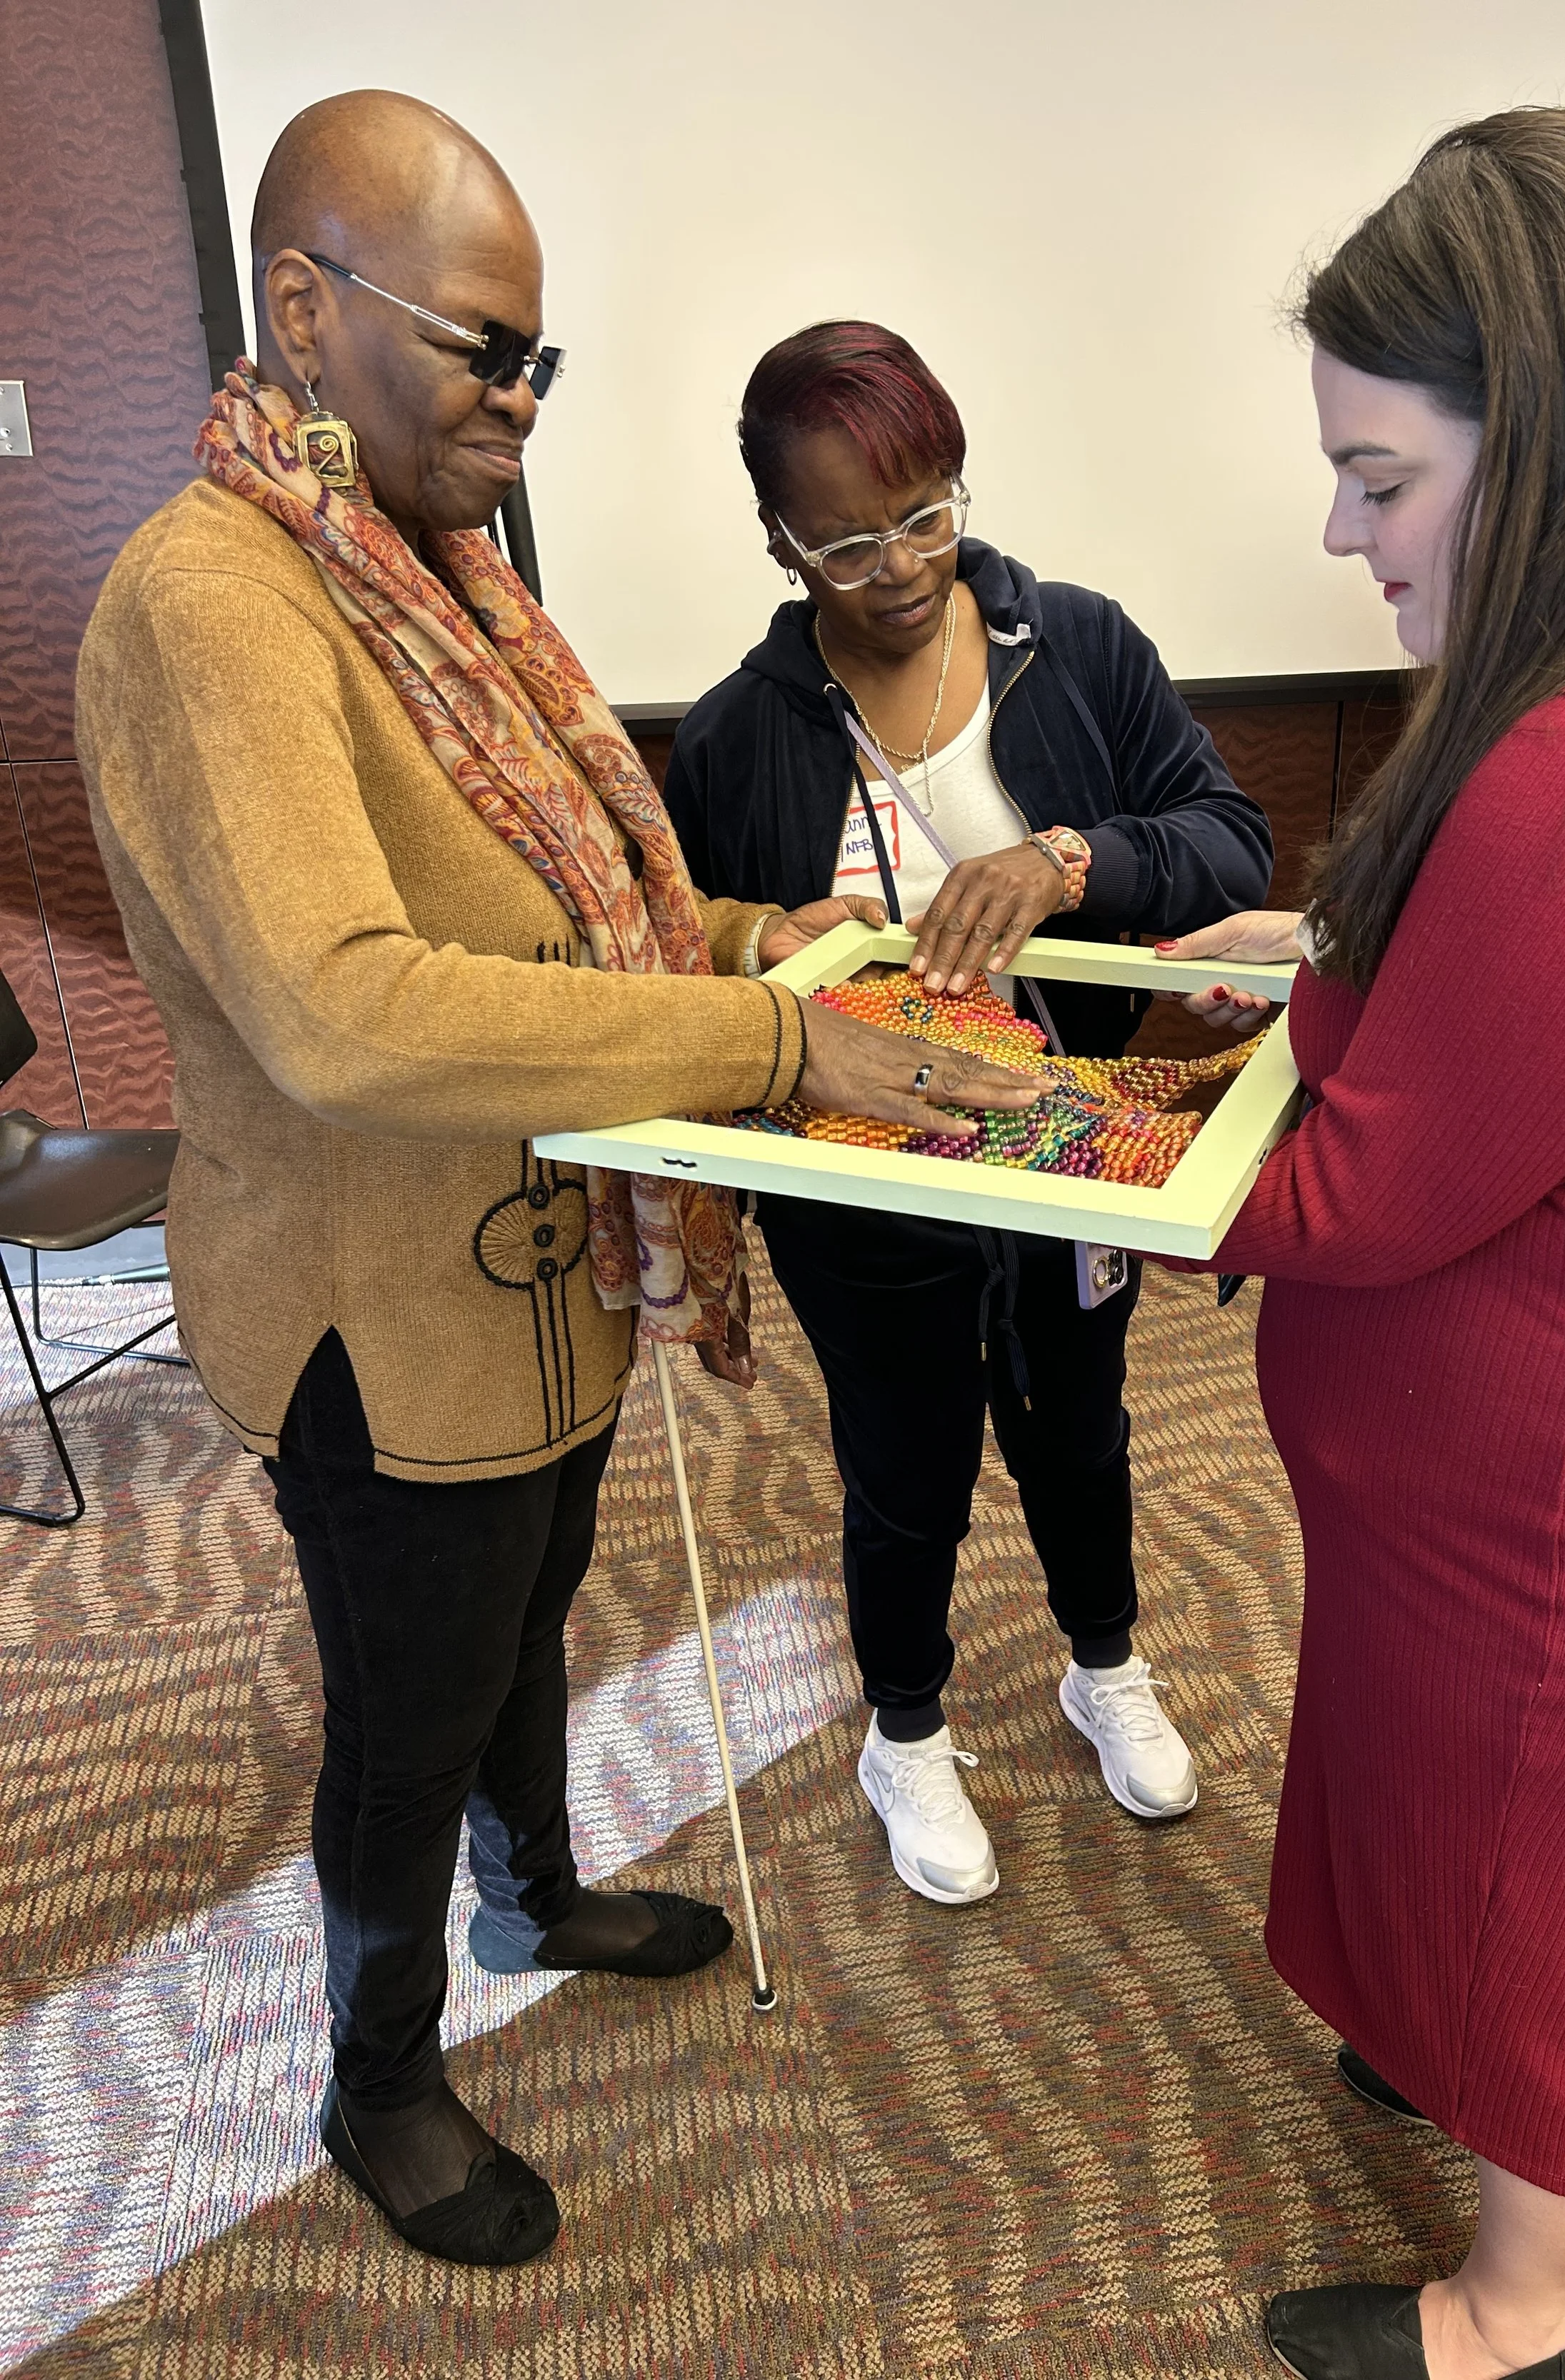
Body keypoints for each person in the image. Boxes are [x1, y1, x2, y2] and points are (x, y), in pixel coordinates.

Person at [74, 96, 1041, 2269]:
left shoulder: (438, 581)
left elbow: (568, 912)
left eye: (541, 363)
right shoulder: (214, 600)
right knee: (406, 1709)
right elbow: (349, 1007)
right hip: (372, 1302)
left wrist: (731, 938)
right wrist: (771, 1036)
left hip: (543, 1273)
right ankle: (380, 2075)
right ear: (306, 314)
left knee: (528, 1619)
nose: (518, 402)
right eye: (480, 350)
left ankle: (537, 1883)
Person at [1156, 110, 1565, 2380]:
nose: (1339, 532)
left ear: (1564, 437)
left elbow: (1365, 1179)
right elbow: (1452, 1019)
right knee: (1463, 1826)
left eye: (1381, 478)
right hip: (1540, 1495)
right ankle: (1436, 2069)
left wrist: (1064, 1167)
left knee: (1564, 1902)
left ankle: (1518, 2327)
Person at [666, 322, 1274, 1905]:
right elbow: (679, 938)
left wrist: (1075, 859)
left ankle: (1101, 1660)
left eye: (928, 512)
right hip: (857, 1178)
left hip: (1067, 1146)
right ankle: (908, 1731)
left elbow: (1228, 839)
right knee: (904, 1456)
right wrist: (761, 933)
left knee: (1078, 1424)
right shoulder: (739, 733)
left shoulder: (1071, 645)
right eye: (849, 539)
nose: (900, 565)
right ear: (778, 541)